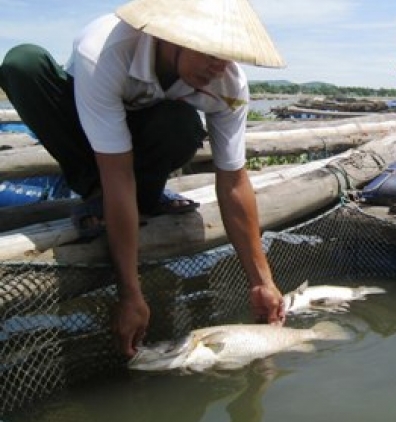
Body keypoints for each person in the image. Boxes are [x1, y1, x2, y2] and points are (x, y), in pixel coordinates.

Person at [0, 0, 287, 358]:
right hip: (83, 128)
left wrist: (262, 281)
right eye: (209, 50)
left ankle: (146, 197)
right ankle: (94, 192)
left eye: (227, 55)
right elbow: (117, 172)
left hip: (145, 135)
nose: (219, 65)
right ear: (173, 36)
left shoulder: (227, 85)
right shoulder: (104, 50)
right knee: (22, 63)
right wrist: (131, 293)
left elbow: (233, 181)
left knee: (180, 125)